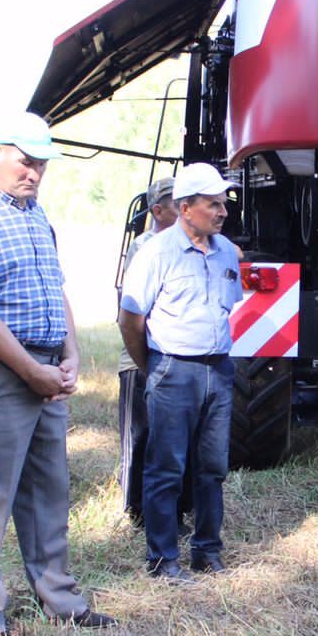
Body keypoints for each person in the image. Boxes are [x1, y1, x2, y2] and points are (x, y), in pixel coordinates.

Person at [0, 112, 112, 636]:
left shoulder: (37, 216)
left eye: (41, 163)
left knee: (47, 491)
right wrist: (30, 370)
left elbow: (55, 289)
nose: (34, 172)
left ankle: (59, 596)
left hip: (45, 369)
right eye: (24, 160)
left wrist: (71, 352)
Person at [117, 162, 240, 584]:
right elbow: (130, 319)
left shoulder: (225, 251)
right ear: (185, 208)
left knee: (213, 467)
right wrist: (153, 367)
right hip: (173, 368)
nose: (223, 211)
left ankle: (207, 552)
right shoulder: (155, 252)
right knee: (166, 468)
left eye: (224, 203)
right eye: (213, 204)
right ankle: (163, 559)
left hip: (218, 370)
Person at [116, 176, 177, 522]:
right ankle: (134, 508)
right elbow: (134, 310)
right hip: (140, 355)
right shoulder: (144, 247)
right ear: (157, 210)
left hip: (166, 355)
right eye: (174, 203)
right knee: (139, 436)